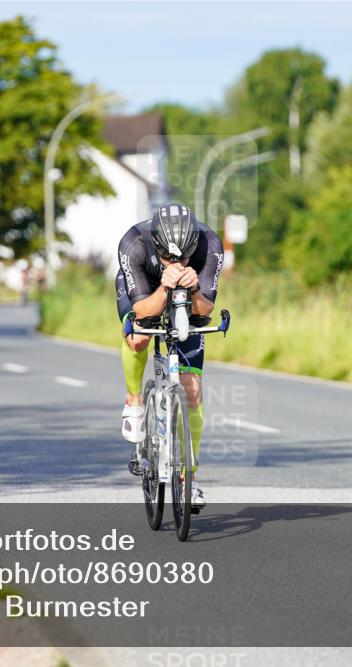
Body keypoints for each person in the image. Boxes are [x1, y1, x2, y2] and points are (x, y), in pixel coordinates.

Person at [116, 203, 224, 510]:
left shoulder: (210, 245)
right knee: (138, 338)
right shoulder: (134, 244)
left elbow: (206, 310)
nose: (176, 262)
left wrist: (194, 289)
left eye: (183, 257)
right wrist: (165, 287)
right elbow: (141, 311)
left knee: (192, 391)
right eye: (168, 257)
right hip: (146, 288)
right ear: (156, 245)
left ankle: (189, 477)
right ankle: (135, 399)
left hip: (188, 297)